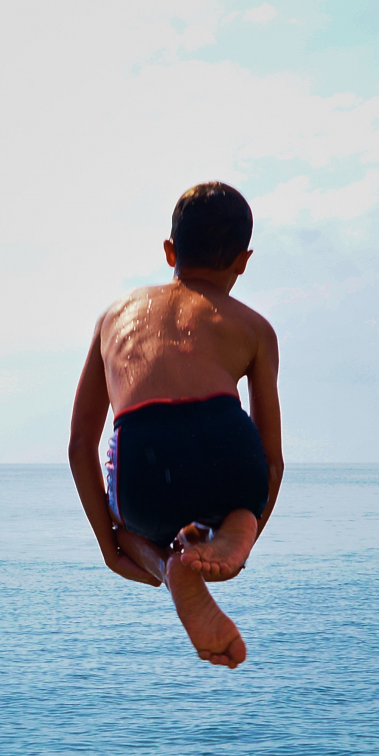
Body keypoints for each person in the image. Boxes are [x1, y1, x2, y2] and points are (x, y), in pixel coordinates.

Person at [68, 182, 284, 669]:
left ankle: (169, 567)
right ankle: (235, 526)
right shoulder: (253, 327)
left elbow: (80, 445)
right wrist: (247, 535)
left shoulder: (112, 317)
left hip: (148, 454)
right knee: (240, 502)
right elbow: (272, 461)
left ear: (170, 251)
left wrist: (111, 545)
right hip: (231, 450)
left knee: (126, 526)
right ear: (243, 261)